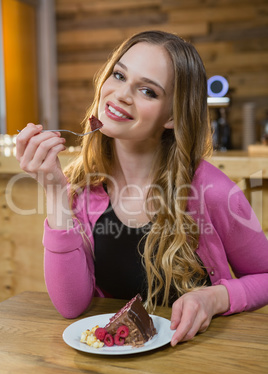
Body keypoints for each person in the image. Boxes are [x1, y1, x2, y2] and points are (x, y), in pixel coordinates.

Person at [16, 30, 268, 346]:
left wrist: (216, 298)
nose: (121, 94)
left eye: (148, 91)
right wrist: (55, 191)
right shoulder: (81, 189)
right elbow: (71, 307)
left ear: (173, 116)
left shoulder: (214, 192)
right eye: (119, 75)